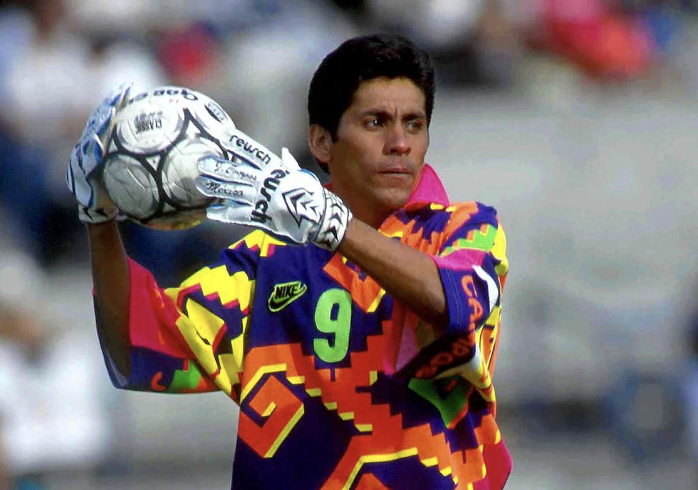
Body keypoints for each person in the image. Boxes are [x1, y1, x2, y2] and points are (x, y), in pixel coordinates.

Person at [68, 34, 511, 489]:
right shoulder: (266, 260)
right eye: (376, 122)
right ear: (321, 142)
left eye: (414, 124)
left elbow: (457, 306)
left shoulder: (467, 229)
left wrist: (333, 226)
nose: (399, 143)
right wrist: (98, 220)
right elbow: (133, 349)